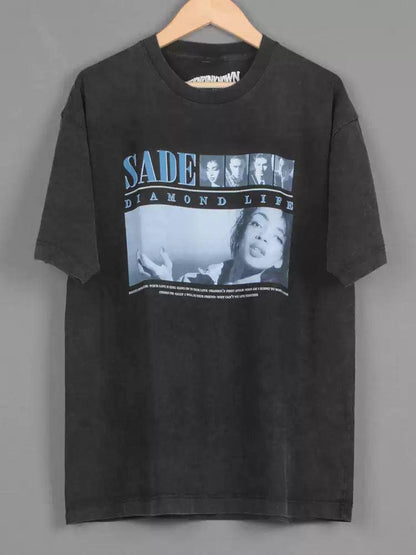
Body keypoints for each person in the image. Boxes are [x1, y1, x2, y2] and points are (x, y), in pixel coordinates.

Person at [136, 207, 288, 286]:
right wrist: (166, 284)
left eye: (277, 237)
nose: (263, 236)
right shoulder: (195, 281)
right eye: (257, 224)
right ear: (242, 230)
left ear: (280, 260)